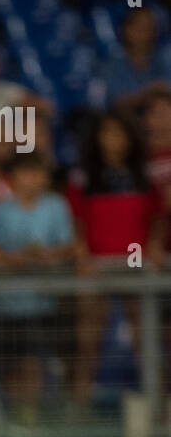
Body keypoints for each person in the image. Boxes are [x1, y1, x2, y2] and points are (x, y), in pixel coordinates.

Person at [67, 111, 163, 405]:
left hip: (136, 265)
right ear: (97, 139)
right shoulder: (82, 177)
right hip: (97, 267)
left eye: (119, 134)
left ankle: (157, 414)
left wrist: (155, 245)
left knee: (146, 342)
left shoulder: (145, 175)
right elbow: (74, 221)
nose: (113, 141)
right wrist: (82, 254)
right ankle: (77, 414)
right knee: (88, 343)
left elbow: (158, 217)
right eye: (107, 134)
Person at [0, 152, 75, 415]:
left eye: (38, 172)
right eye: (27, 172)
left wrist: (46, 256)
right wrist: (15, 259)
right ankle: (3, 418)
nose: (33, 178)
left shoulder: (57, 206)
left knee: (40, 365)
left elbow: (69, 247)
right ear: (14, 177)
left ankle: (41, 421)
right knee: (5, 366)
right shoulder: (1, 209)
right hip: (6, 306)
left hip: (43, 305)